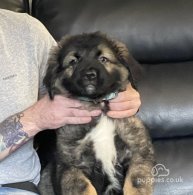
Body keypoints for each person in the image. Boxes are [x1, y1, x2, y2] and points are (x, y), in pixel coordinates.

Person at [0, 9, 141, 194]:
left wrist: (122, 91)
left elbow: (67, 82)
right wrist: (34, 119)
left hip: (17, 187)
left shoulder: (26, 30)